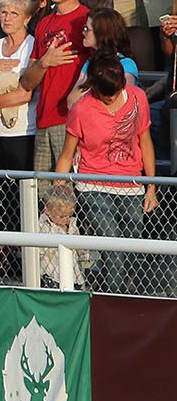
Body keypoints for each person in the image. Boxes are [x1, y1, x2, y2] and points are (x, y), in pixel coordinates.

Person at [55, 52, 157, 293]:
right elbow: (67, 154)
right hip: (93, 185)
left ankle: (104, 284)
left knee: (131, 247)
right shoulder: (81, 108)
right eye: (104, 95)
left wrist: (151, 186)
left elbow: (146, 141)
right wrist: (59, 191)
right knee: (112, 246)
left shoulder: (137, 98)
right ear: (93, 88)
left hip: (131, 182)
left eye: (114, 93)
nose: (110, 98)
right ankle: (113, 302)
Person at [21, 0, 90, 178]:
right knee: (41, 193)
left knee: (66, 193)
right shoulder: (44, 23)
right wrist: (45, 62)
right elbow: (27, 81)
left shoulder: (86, 20)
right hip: (43, 118)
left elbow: (98, 69)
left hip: (70, 120)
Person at [0, 0, 36, 229]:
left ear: (26, 19)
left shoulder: (32, 46)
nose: (7, 18)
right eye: (3, 12)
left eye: (14, 13)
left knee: (18, 202)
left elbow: (25, 94)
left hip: (22, 133)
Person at [65, 6, 138, 108]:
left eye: (87, 29)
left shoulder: (126, 65)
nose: (83, 33)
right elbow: (71, 101)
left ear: (101, 34)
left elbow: (122, 104)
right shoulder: (90, 62)